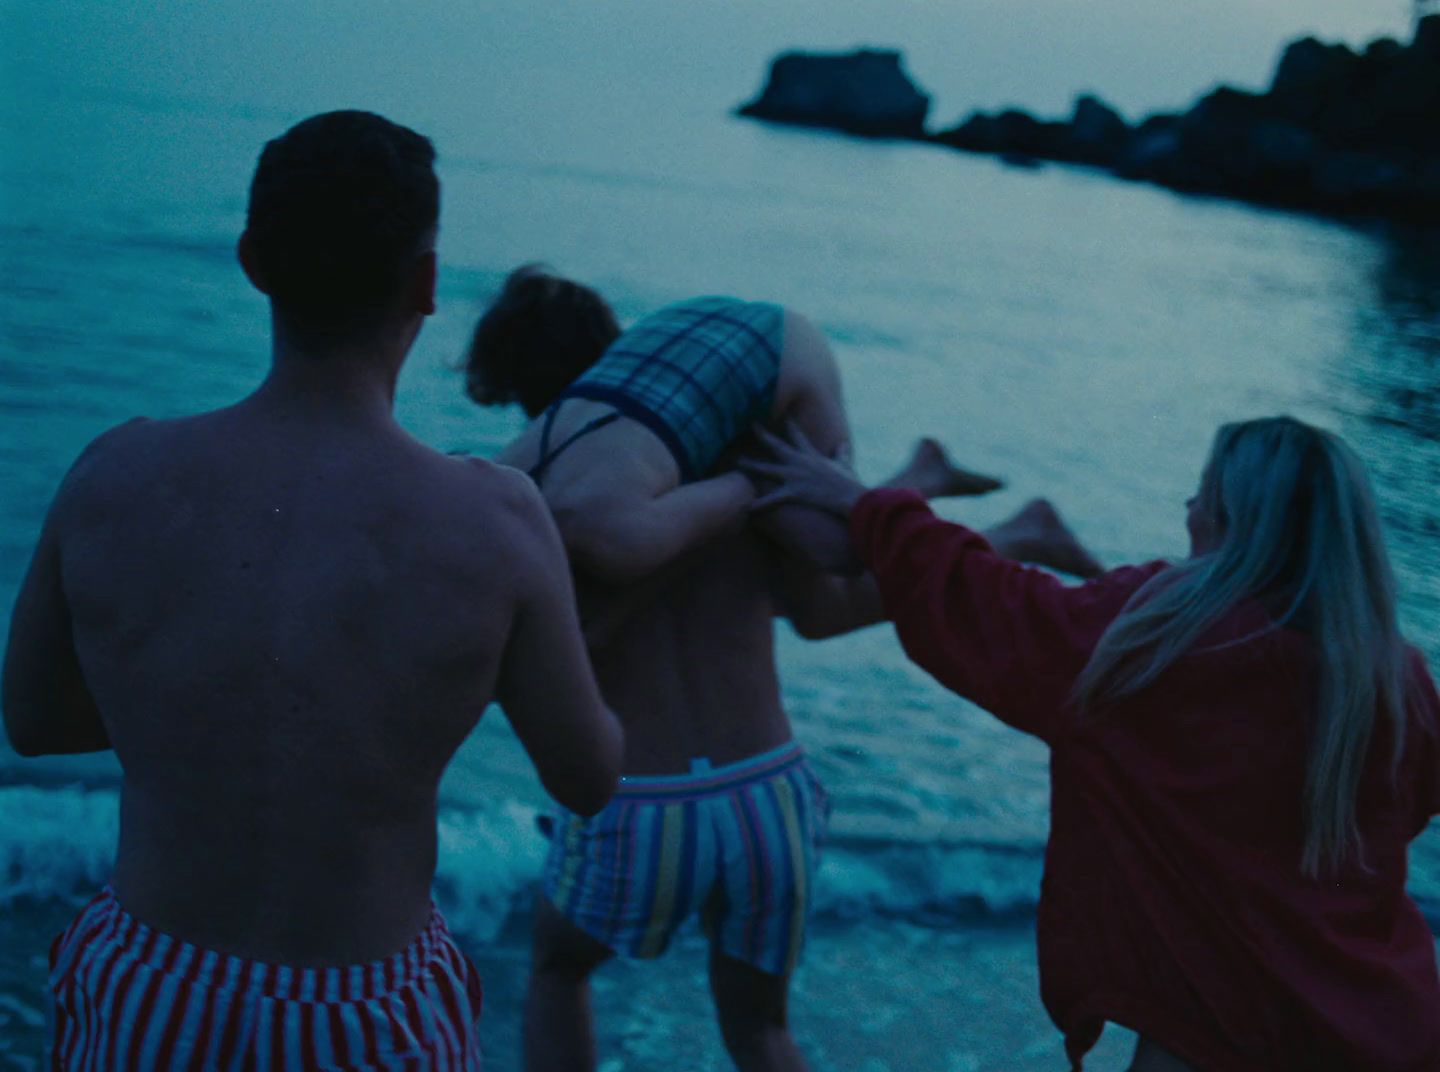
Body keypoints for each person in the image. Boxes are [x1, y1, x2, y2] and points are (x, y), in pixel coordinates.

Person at [2, 111, 623, 1069]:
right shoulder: (496, 521)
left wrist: (190, 710)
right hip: (367, 1008)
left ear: (253, 260)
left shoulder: (113, 475)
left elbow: (35, 719)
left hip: (148, 981)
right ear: (424, 282)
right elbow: (587, 775)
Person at [465, 297, 1104, 1070]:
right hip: (768, 794)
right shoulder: (732, 460)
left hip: (644, 803)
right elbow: (824, 609)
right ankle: (987, 519)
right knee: (763, 1033)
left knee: (558, 969)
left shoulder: (542, 504)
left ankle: (958, 501)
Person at [743, 417, 1440, 1071]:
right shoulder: (1396, 679)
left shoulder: (1162, 640)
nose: (1188, 506)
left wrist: (867, 505)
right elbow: (1401, 811)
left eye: (1203, 492)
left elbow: (985, 604)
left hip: (1219, 1036)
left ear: (1231, 519)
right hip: (1395, 1028)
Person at [466, 265, 1004, 583]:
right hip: (680, 332)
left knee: (833, 557)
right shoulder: (494, 485)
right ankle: (947, 495)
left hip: (779, 348)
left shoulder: (610, 535)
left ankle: (926, 476)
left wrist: (757, 467)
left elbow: (745, 490)